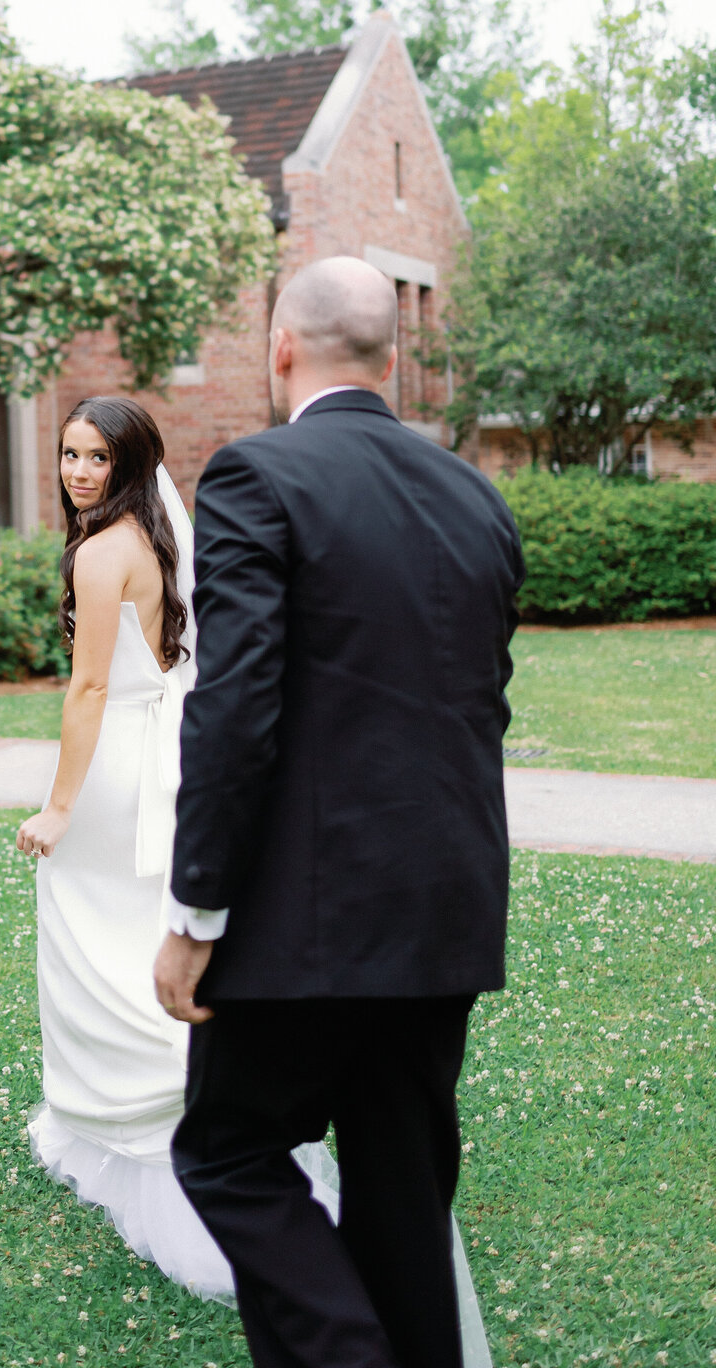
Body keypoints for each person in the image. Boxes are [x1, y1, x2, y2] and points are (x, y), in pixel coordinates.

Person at [154, 256, 524, 1368]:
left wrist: (195, 911)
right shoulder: (477, 492)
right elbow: (479, 704)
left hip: (303, 921)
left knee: (228, 1152)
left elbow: (235, 709)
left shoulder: (256, 476)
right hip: (445, 907)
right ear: (392, 353)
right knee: (401, 1184)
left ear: (280, 349)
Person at [14, 395, 232, 1293]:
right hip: (166, 761)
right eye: (69, 454)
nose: (78, 472)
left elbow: (91, 690)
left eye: (98, 458)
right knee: (138, 933)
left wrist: (60, 808)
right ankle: (157, 1106)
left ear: (133, 464)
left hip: (114, 773)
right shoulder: (157, 540)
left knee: (92, 939)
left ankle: (143, 1115)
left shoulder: (105, 552)